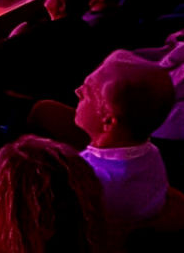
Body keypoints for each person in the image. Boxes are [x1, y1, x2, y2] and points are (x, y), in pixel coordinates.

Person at [74, 51, 176, 235]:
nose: (77, 91)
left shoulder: (92, 182)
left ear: (109, 121)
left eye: (87, 92)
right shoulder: (150, 152)